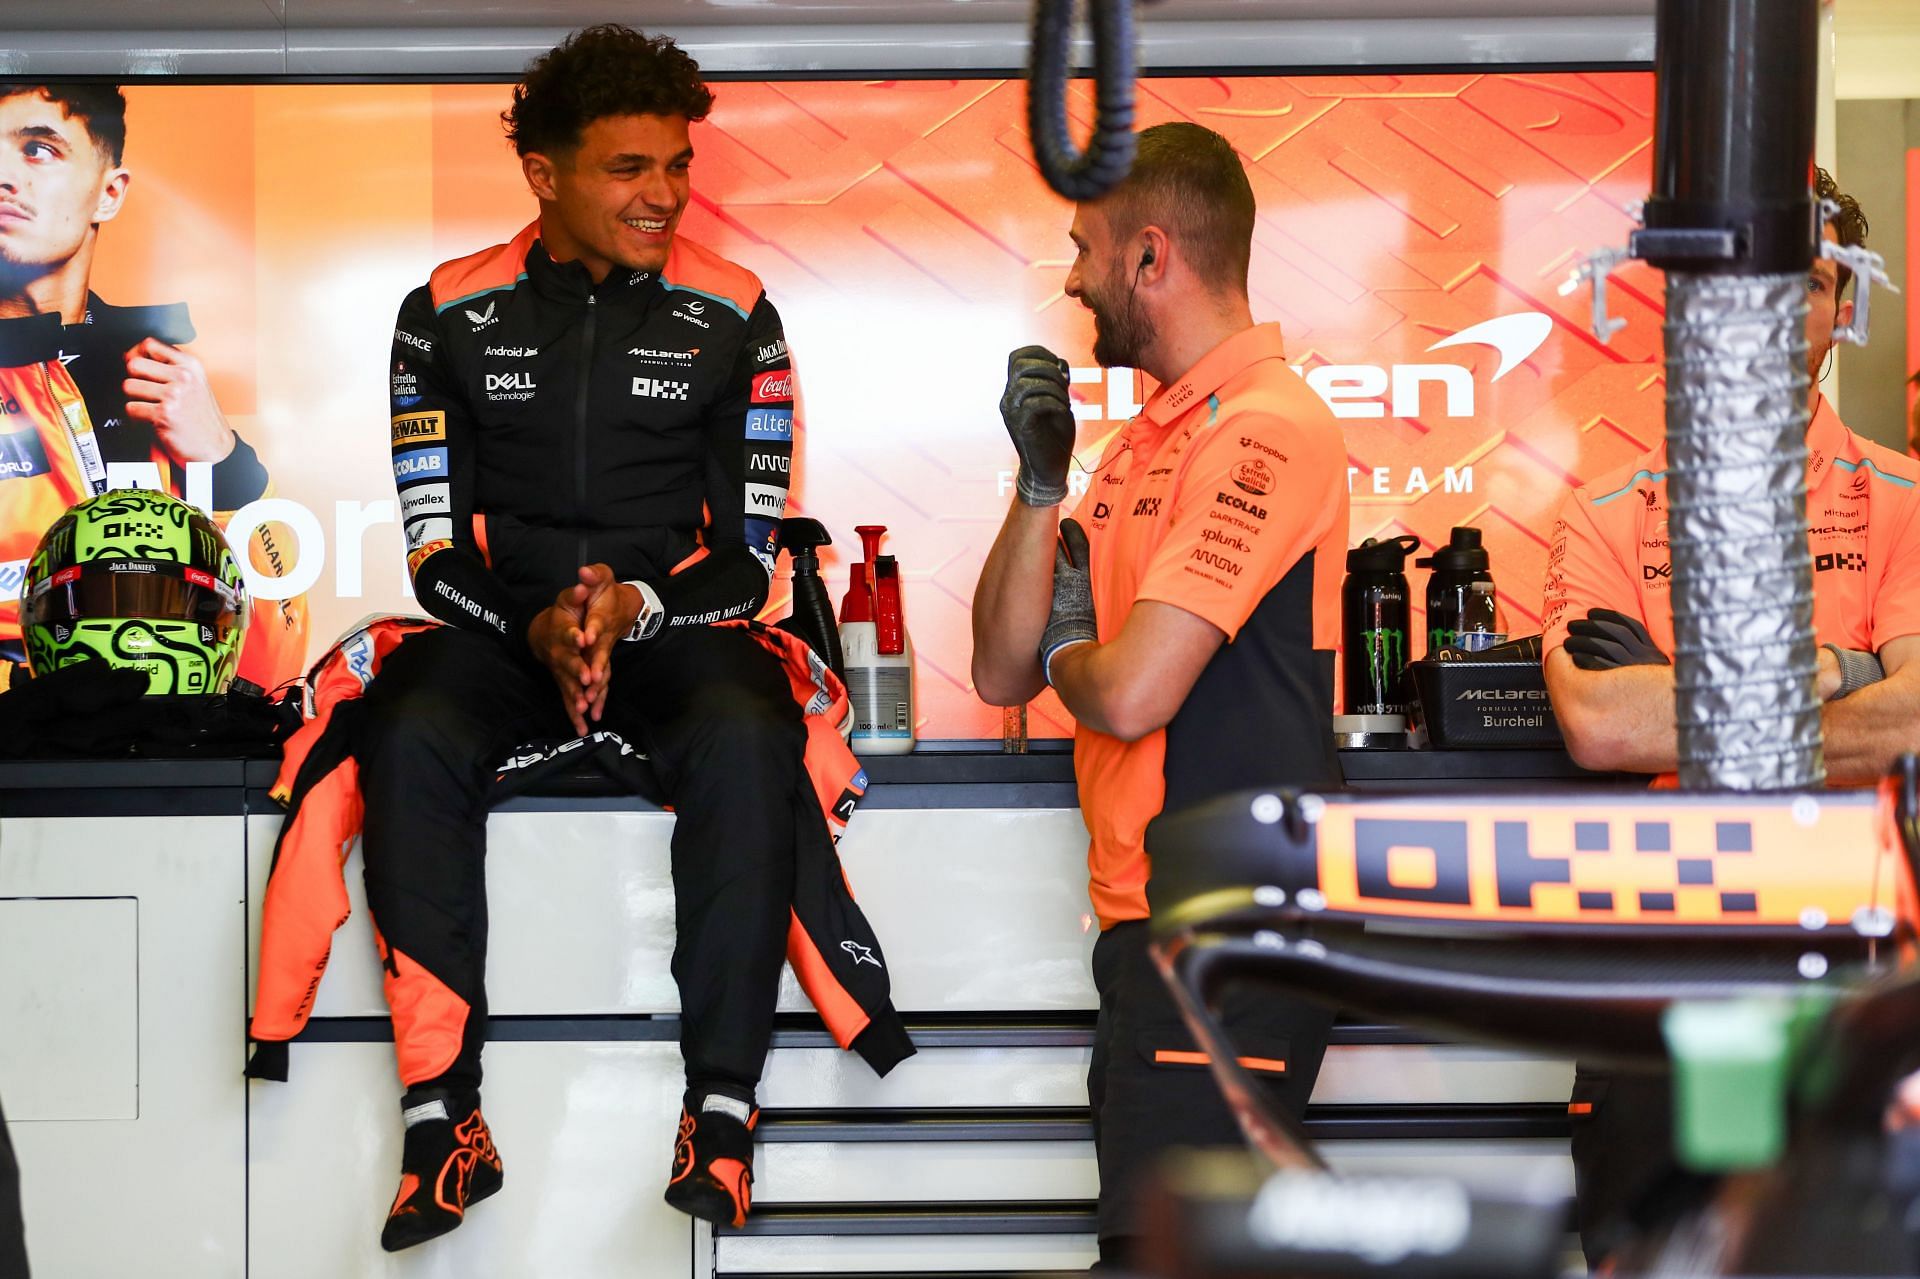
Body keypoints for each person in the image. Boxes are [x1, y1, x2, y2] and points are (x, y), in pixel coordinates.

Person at [363, 25, 848, 1250]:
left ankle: (725, 1113)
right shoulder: (441, 315)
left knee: (749, 728)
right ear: (546, 175)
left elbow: (747, 560)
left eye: (677, 165)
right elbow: (432, 556)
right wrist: (536, 625)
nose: (665, 195)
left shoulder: (740, 316)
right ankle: (442, 1119)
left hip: (673, 627)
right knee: (407, 720)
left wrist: (632, 611)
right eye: (630, 168)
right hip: (501, 629)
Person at [969, 121, 1349, 1266]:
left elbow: (1125, 692)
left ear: (1150, 256)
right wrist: (1043, 489)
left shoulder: (1264, 431)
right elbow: (1000, 666)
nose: (1074, 278)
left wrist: (1071, 658)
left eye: (1086, 249)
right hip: (1156, 926)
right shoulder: (1147, 442)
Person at [1540, 168, 1920, 1263]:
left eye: (1799, 283)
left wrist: (1679, 682)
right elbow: (1602, 726)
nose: (1767, 307)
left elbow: (1913, 724)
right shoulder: (1611, 509)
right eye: (1738, 281)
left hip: (1860, 961)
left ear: (1843, 306)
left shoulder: (1900, 502)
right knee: (1652, 1254)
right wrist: (1840, 666)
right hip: (1661, 953)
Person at [0, 81, 305, 690]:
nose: (5, 177)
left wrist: (224, 462)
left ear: (109, 194)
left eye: (38, 149)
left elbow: (275, 657)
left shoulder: (164, 371)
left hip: (169, 752)